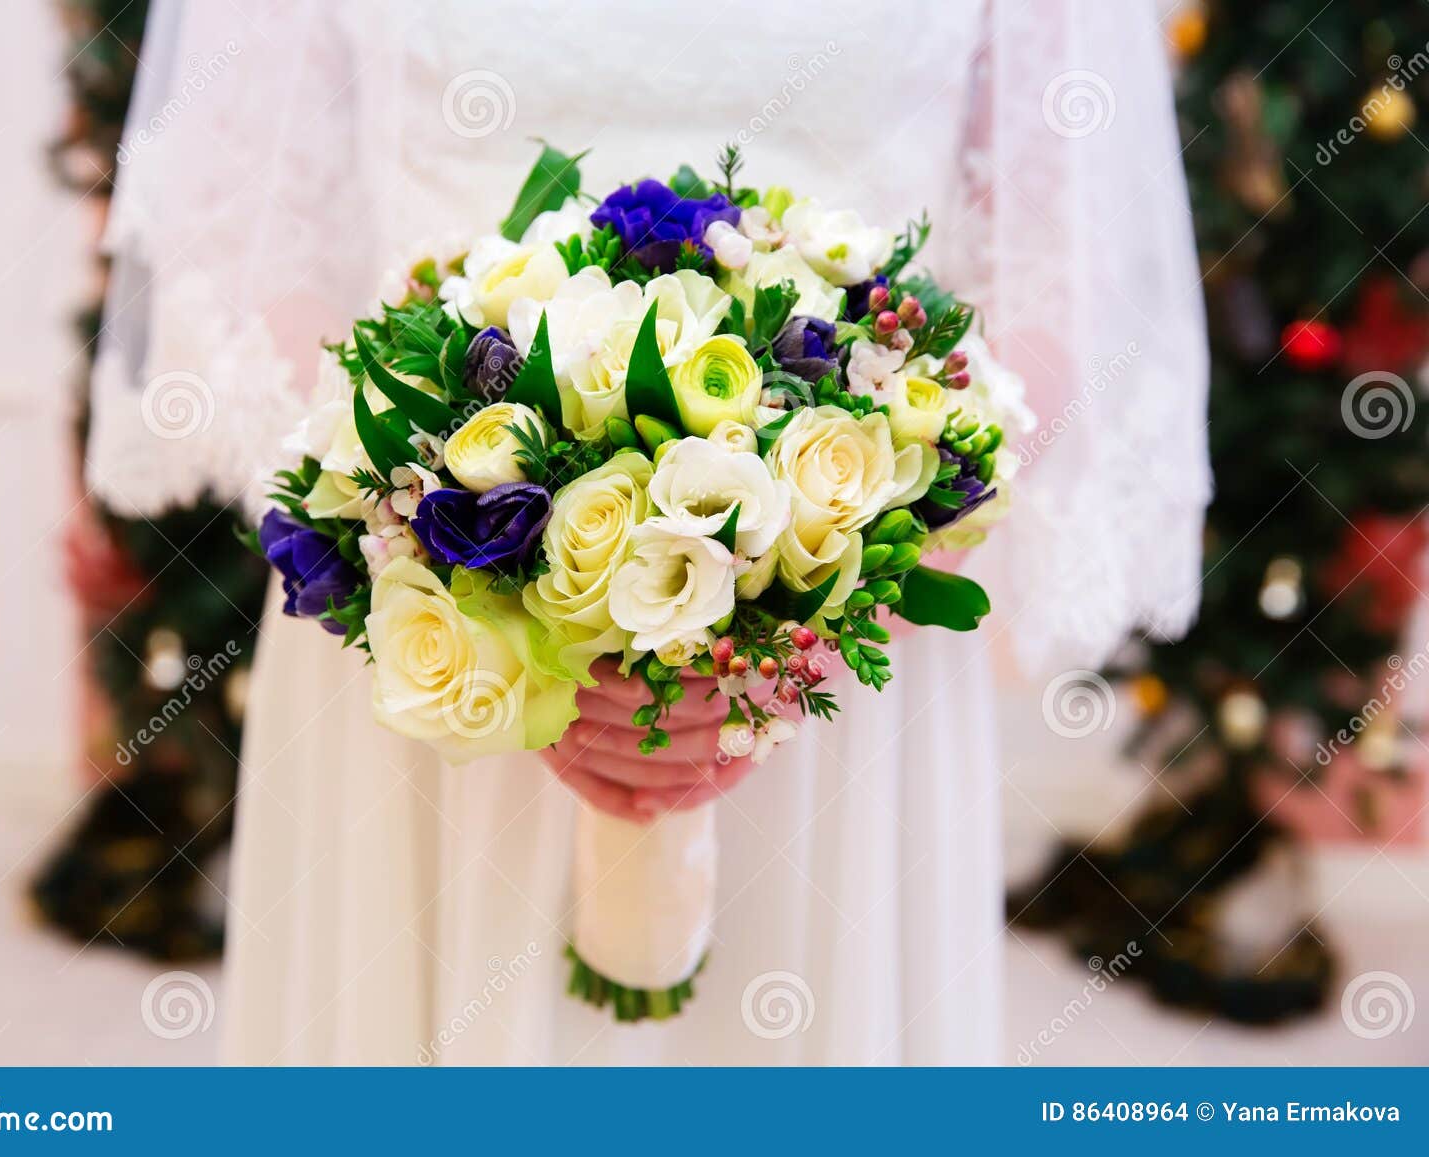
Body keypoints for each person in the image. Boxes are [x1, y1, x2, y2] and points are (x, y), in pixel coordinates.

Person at [87, 0, 1209, 1063]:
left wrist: (796, 630)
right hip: (433, 634)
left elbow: (1067, 268)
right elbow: (242, 237)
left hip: (843, 654)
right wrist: (445, 563)